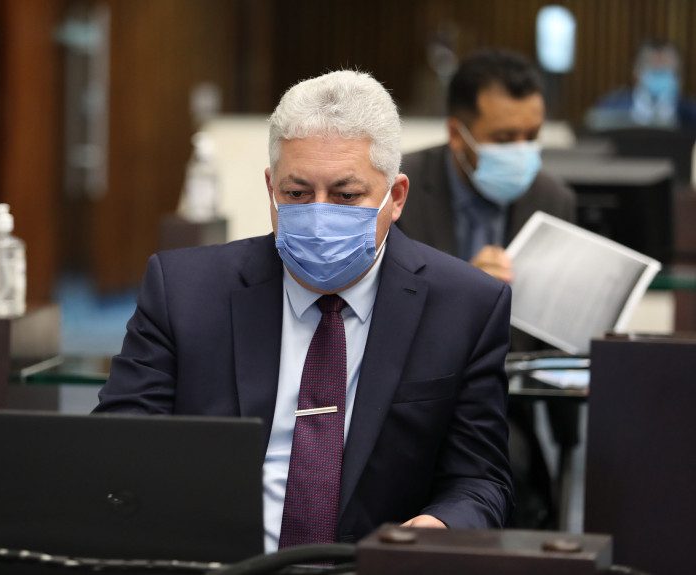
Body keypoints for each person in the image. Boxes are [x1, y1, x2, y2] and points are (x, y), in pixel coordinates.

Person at [95, 70, 513, 552]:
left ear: (395, 197)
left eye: (345, 195)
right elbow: (119, 442)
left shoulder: (465, 306)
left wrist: (437, 527)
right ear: (271, 187)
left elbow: (482, 481)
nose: (318, 214)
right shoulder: (184, 290)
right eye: (296, 194)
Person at [396, 49, 576, 529]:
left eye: (531, 137)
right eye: (504, 138)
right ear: (458, 135)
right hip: (409, 398)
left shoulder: (552, 198)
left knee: (513, 469)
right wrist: (463, 287)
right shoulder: (399, 190)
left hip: (504, 403)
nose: (521, 152)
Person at [585, 38, 696, 130]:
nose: (660, 71)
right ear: (636, 71)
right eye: (654, 70)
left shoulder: (691, 112)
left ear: (680, 76)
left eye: (665, 70)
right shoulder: (609, 108)